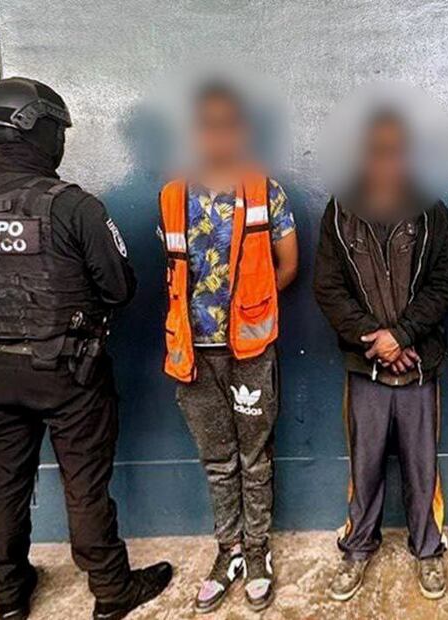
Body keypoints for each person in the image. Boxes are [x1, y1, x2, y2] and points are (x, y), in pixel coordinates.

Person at [0, 77, 172, 620]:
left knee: (3, 486)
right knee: (84, 486)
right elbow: (120, 288)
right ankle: (111, 590)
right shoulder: (73, 207)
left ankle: (10, 595)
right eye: (58, 129)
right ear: (35, 127)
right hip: (71, 373)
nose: (61, 140)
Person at [157, 82, 298, 613]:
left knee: (254, 458)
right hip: (193, 354)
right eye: (207, 125)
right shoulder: (173, 198)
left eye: (227, 125)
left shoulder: (264, 192)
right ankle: (229, 550)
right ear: (196, 132)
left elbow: (288, 266)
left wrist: (248, 313)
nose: (218, 136)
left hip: (250, 353)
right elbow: (175, 276)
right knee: (218, 460)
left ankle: (258, 551)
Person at [314, 109, 448, 602]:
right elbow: (328, 288)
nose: (386, 162)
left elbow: (444, 283)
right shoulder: (340, 212)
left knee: (423, 468)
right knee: (365, 466)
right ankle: (357, 547)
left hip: (418, 365)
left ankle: (428, 550)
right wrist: (374, 340)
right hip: (365, 368)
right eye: (377, 151)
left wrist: (403, 334)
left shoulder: (431, 212)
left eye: (395, 151)